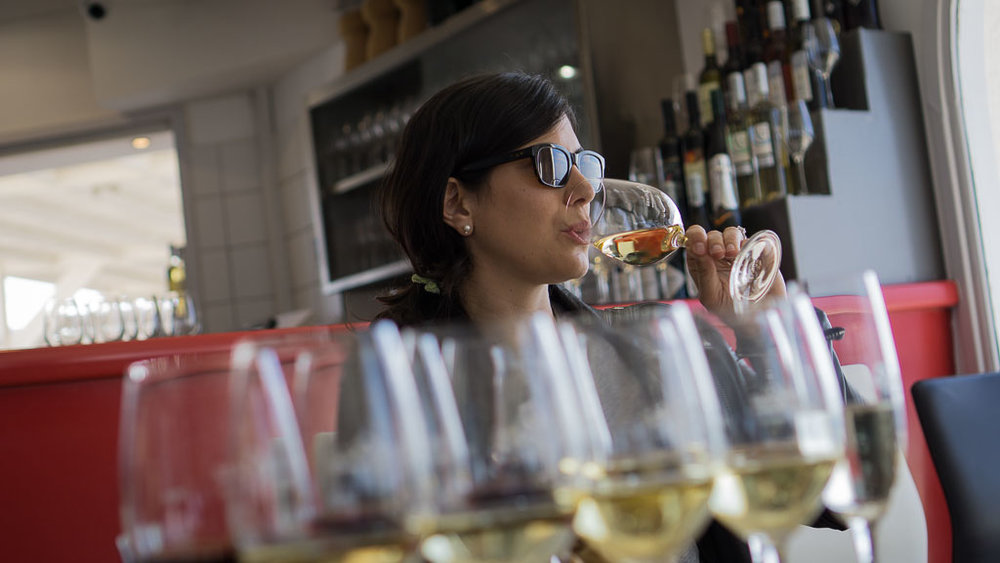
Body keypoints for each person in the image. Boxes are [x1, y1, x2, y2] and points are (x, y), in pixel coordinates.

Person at [374, 72, 830, 563]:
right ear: (458, 202)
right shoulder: (409, 394)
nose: (585, 190)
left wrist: (765, 331)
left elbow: (824, 492)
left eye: (584, 165)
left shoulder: (655, 349)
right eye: (550, 165)